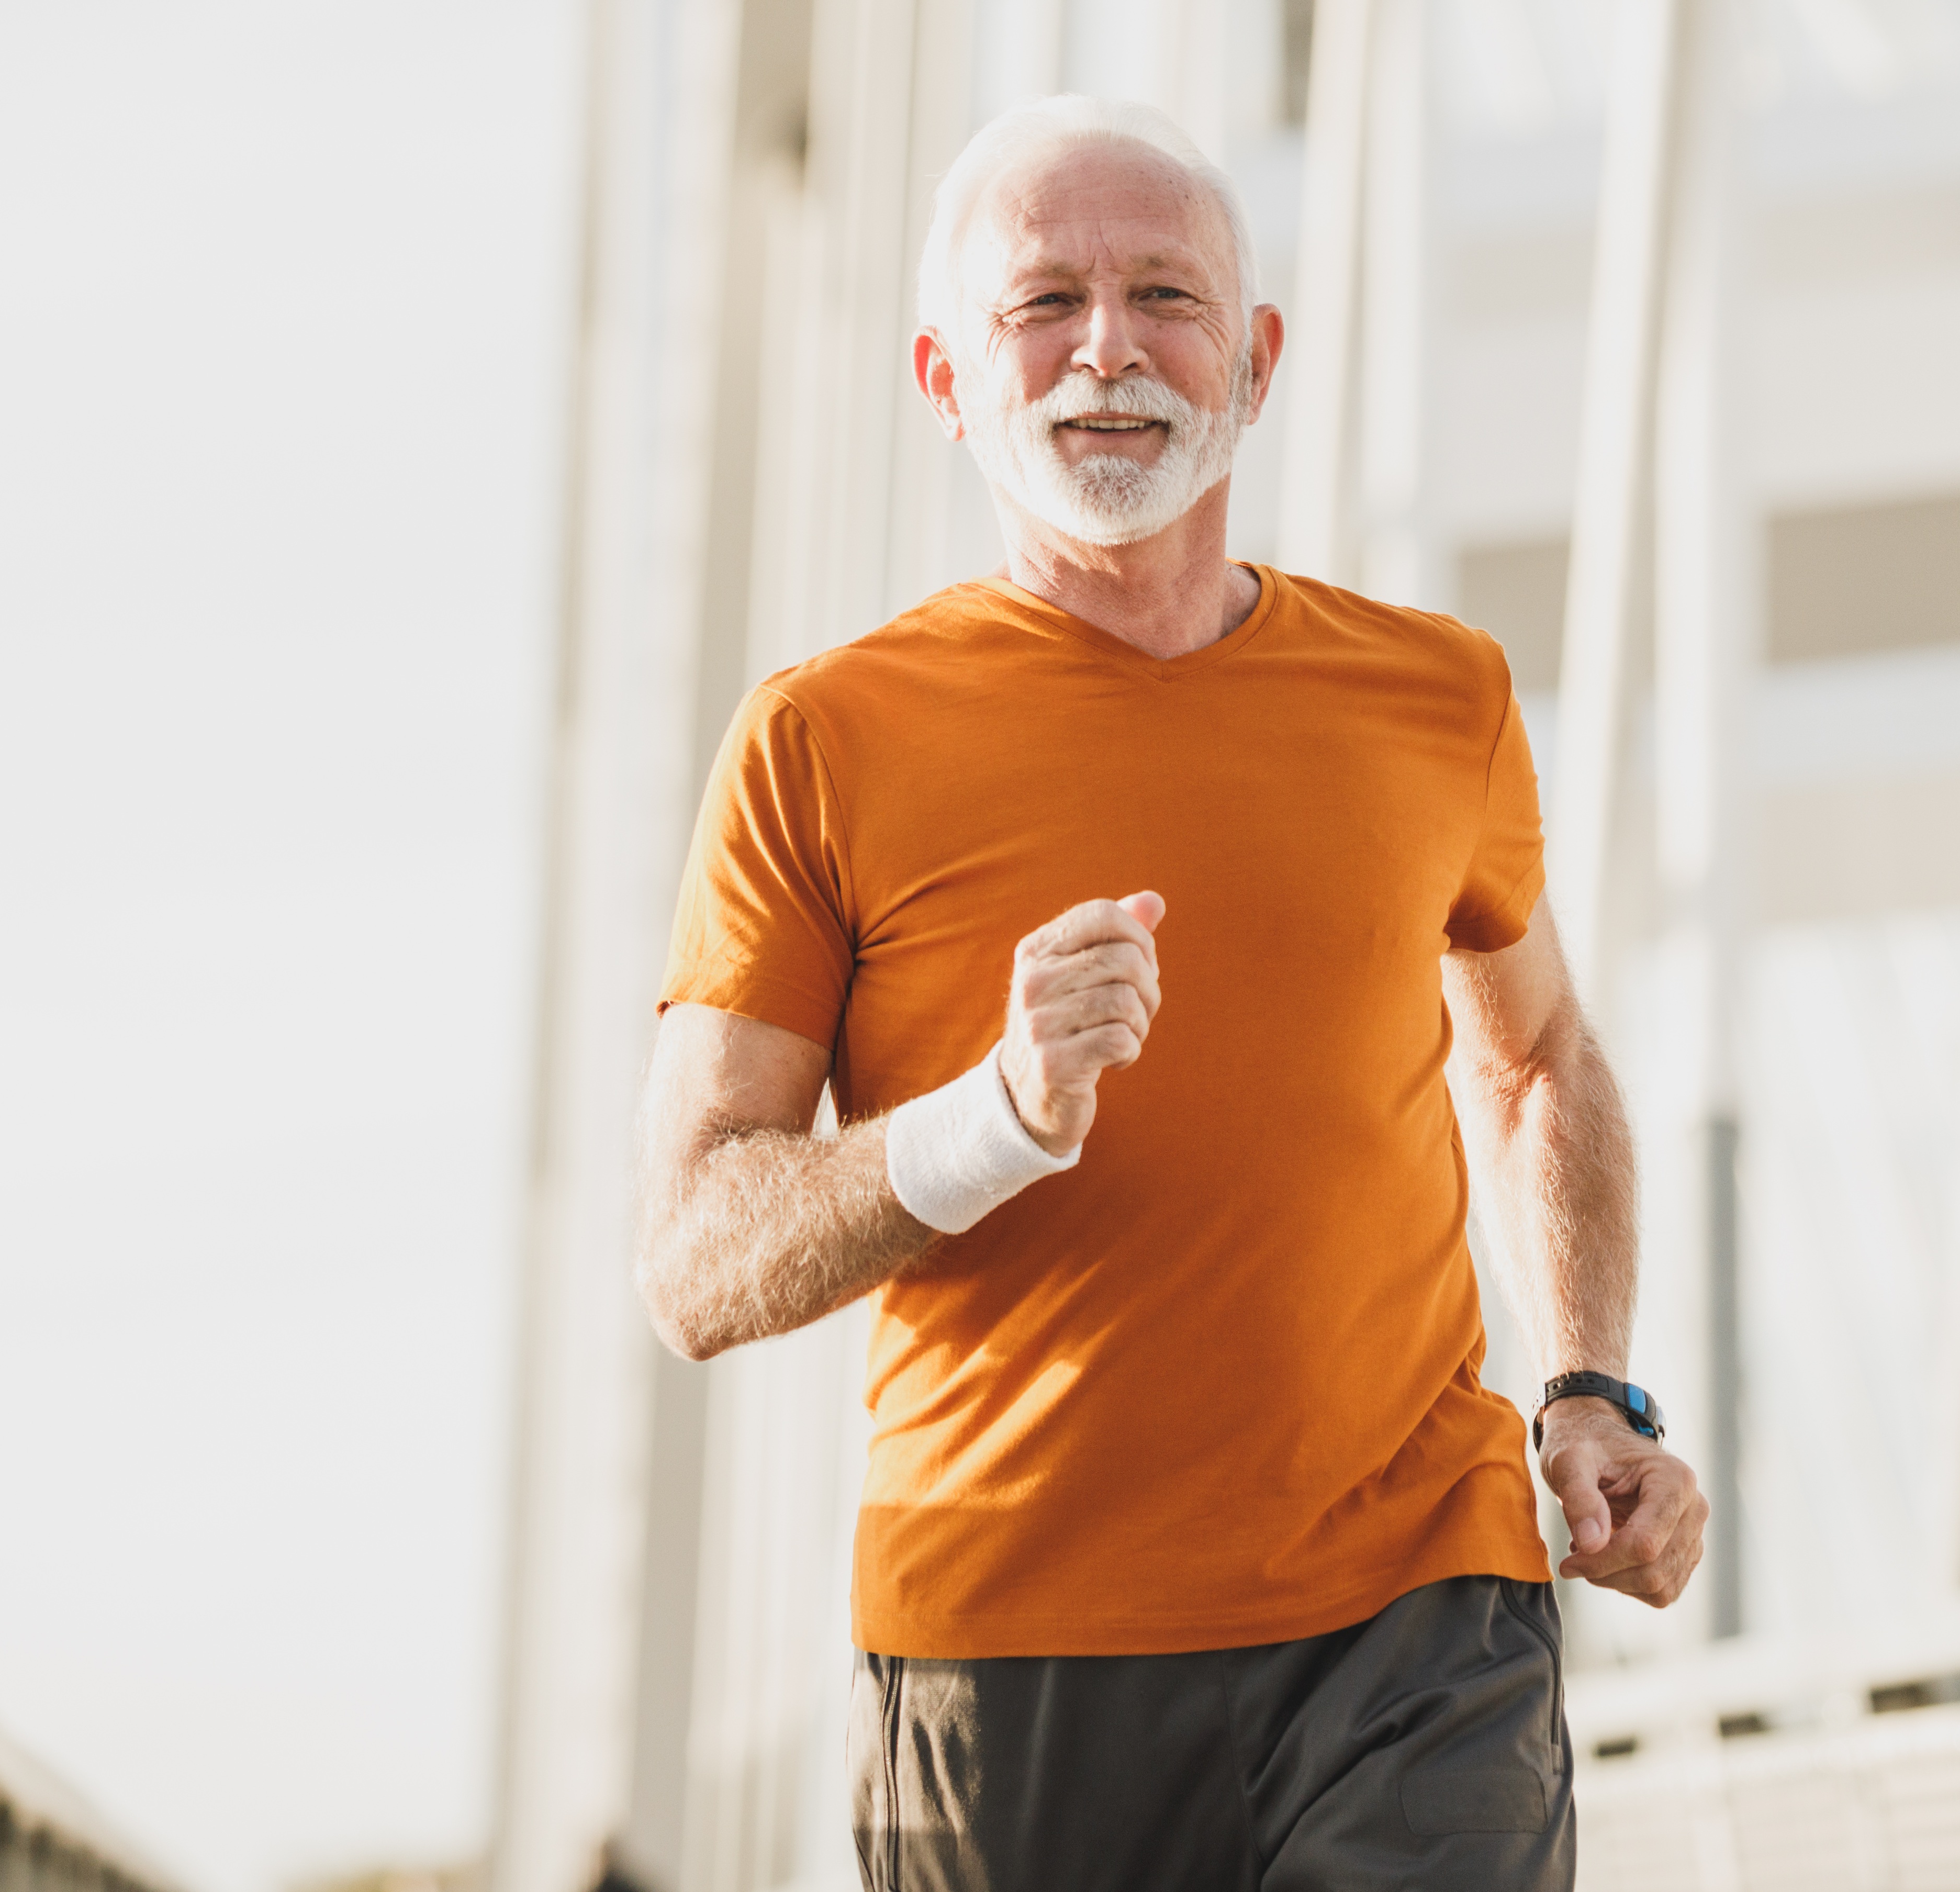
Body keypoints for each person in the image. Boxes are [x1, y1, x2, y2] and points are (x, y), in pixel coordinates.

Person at [632, 93, 1705, 1892]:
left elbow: (1534, 1063)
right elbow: (689, 1258)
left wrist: (1592, 1386)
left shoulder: (1438, 693)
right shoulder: (820, 743)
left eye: (1165, 297)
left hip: (1415, 1621)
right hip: (1004, 1644)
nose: (1108, 349)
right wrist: (991, 1122)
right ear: (944, 380)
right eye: (1042, 304)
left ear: (1259, 361)